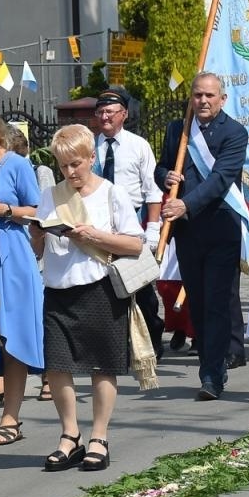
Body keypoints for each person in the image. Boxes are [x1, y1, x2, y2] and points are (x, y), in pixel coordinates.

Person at [30, 124, 146, 472]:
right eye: (64, 166)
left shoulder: (111, 194)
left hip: (99, 289)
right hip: (58, 289)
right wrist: (38, 232)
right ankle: (70, 435)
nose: (70, 172)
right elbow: (40, 248)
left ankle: (99, 436)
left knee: (102, 364)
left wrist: (94, 235)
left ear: (91, 158)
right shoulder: (51, 195)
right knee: (57, 365)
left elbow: (135, 244)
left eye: (76, 164)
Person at [158, 73, 248, 399]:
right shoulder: (177, 130)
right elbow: (162, 167)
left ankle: (212, 375)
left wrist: (185, 204)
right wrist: (164, 175)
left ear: (222, 99)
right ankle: (210, 364)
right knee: (197, 301)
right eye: (198, 95)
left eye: (210, 95)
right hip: (187, 232)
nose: (203, 101)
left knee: (217, 302)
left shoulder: (235, 132)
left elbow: (221, 179)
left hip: (220, 227)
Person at [0, 115, 46, 448]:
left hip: (11, 253)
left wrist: (5, 209)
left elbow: (37, 211)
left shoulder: (17, 164)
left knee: (10, 334)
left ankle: (10, 417)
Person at [91, 90, 167, 356]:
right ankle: (117, 342)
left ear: (124, 114)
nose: (104, 116)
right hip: (100, 223)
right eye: (100, 112)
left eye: (110, 111)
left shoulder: (138, 146)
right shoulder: (89, 146)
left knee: (140, 285)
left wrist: (153, 230)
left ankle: (152, 338)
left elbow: (152, 191)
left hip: (132, 222)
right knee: (105, 286)